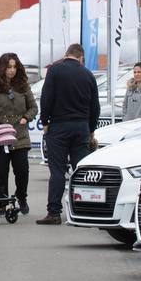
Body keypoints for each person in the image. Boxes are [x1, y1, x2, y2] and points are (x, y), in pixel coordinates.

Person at [37, 43, 100, 226]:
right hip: (80, 127)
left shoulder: (55, 71)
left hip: (58, 127)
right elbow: (94, 106)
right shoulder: (88, 74)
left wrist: (46, 122)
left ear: (67, 55)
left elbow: (46, 98)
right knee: (80, 170)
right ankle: (84, 210)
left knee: (57, 171)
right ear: (81, 57)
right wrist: (90, 128)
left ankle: (54, 212)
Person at [0, 52, 37, 213]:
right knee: (1, 171)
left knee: (22, 170)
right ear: (2, 68)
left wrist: (26, 117)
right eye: (8, 67)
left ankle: (21, 197)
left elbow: (33, 107)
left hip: (19, 135)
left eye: (14, 67)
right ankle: (3, 201)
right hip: (0, 137)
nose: (12, 70)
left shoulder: (23, 86)